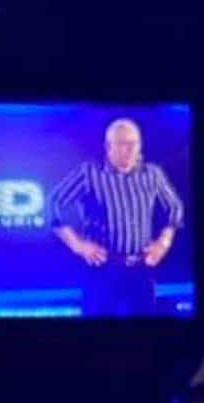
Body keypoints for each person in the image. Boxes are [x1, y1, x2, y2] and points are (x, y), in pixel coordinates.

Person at [49, 118, 184, 319]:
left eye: (133, 144)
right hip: (103, 269)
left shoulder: (152, 174)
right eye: (122, 144)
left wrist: (164, 241)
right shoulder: (90, 173)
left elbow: (175, 207)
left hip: (141, 267)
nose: (128, 150)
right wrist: (77, 245)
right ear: (108, 146)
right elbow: (55, 203)